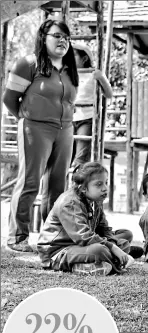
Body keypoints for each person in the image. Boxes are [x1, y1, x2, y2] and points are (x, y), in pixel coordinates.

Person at [3, 20, 78, 252]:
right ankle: (17, 237)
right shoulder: (28, 64)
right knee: (30, 182)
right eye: (57, 36)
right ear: (43, 37)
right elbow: (9, 99)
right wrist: (28, 120)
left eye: (66, 37)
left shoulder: (69, 68)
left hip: (65, 130)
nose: (62, 41)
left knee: (57, 185)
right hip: (35, 128)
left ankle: (51, 237)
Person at [37, 162, 142, 276]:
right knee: (99, 250)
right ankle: (111, 260)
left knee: (124, 237)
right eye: (98, 184)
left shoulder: (95, 199)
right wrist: (114, 248)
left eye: (106, 183)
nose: (105, 188)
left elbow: (104, 228)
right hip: (59, 251)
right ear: (82, 188)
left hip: (82, 245)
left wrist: (114, 245)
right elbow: (83, 236)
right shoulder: (69, 203)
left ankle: (102, 261)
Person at [71, 43, 113, 168]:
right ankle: (64, 185)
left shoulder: (93, 74)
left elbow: (109, 94)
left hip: (87, 118)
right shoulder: (69, 74)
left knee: (81, 157)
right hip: (70, 118)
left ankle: (77, 185)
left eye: (73, 55)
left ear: (84, 59)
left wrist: (101, 78)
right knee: (66, 155)